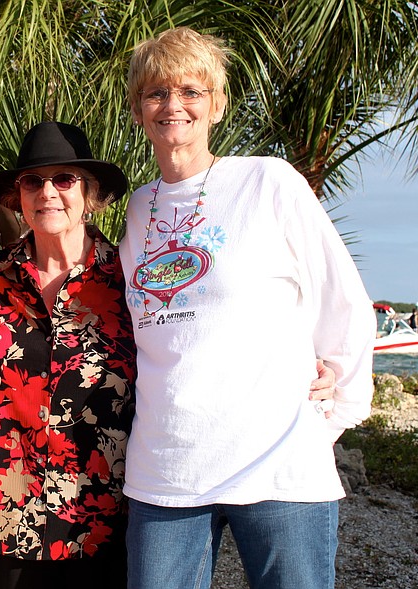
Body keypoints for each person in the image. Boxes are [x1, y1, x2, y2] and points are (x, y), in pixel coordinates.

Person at [119, 27, 375, 589]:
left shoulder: (268, 181)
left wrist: (332, 415)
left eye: (191, 91)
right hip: (166, 470)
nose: (173, 105)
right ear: (139, 109)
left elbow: (344, 301)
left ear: (216, 103)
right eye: (157, 92)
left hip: (278, 469)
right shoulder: (139, 208)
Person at [0, 121, 137, 588]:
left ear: (91, 194)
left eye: (64, 179)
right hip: (11, 521)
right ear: (17, 196)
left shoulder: (129, 282)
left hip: (106, 522)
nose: (48, 192)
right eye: (33, 181)